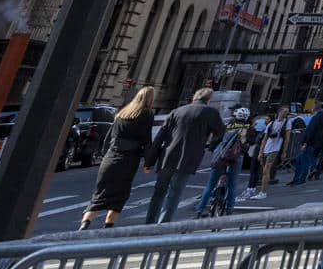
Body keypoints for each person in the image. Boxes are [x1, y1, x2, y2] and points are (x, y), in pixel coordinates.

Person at [143, 88, 224, 224]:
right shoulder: (211, 112)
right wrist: (208, 141)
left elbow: (160, 137)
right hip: (188, 159)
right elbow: (220, 132)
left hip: (167, 156)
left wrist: (149, 161)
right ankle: (163, 225)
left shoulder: (177, 111)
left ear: (194, 98)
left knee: (158, 192)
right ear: (208, 100)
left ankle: (149, 223)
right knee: (174, 194)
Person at [81, 87, 156, 230]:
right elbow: (146, 140)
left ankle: (84, 226)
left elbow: (109, 138)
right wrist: (148, 162)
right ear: (150, 99)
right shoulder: (147, 114)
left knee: (99, 195)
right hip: (128, 159)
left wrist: (104, 156)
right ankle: (108, 227)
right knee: (120, 195)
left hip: (110, 157)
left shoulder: (122, 113)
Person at [194, 107, 251, 217]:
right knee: (232, 185)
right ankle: (229, 209)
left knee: (210, 185)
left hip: (221, 157)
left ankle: (199, 210)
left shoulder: (227, 126)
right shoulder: (248, 128)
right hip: (236, 158)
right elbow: (249, 143)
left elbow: (215, 140)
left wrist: (212, 149)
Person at [254, 108, 287, 196]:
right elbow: (265, 139)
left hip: (275, 149)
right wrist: (261, 152)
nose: (286, 113)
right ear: (279, 112)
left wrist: (284, 151)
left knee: (266, 170)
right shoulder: (271, 124)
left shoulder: (287, 123)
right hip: (267, 148)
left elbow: (287, 138)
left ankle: (263, 192)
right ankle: (262, 191)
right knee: (264, 171)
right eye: (285, 111)